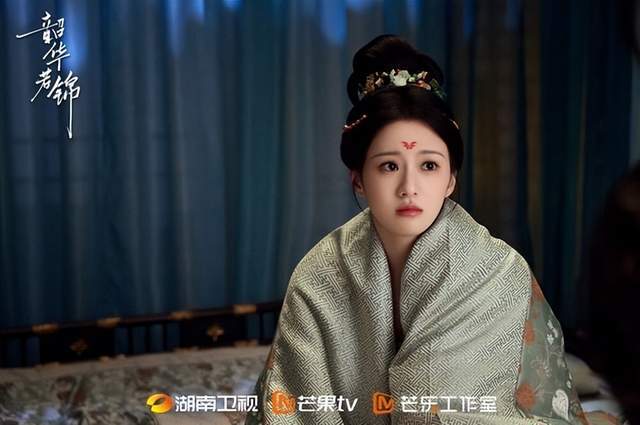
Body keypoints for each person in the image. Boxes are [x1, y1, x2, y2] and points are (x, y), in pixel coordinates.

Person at [246, 35, 624, 425]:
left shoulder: (496, 272)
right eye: (389, 166)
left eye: (429, 166)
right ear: (357, 180)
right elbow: (295, 406)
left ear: (450, 179)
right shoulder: (319, 274)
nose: (409, 187)